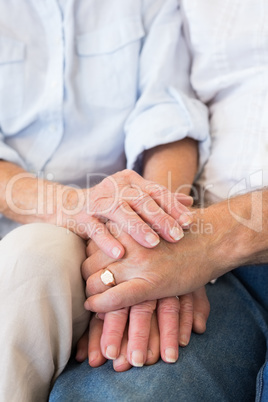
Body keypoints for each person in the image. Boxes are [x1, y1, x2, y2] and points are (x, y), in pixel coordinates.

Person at [50, 0, 268, 401]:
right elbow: (168, 111)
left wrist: (207, 242)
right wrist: (150, 239)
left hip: (213, 241)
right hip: (211, 261)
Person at [0, 0, 211, 401]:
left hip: (117, 228)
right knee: (34, 255)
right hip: (50, 215)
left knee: (34, 259)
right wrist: (78, 206)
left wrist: (157, 236)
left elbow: (168, 118)